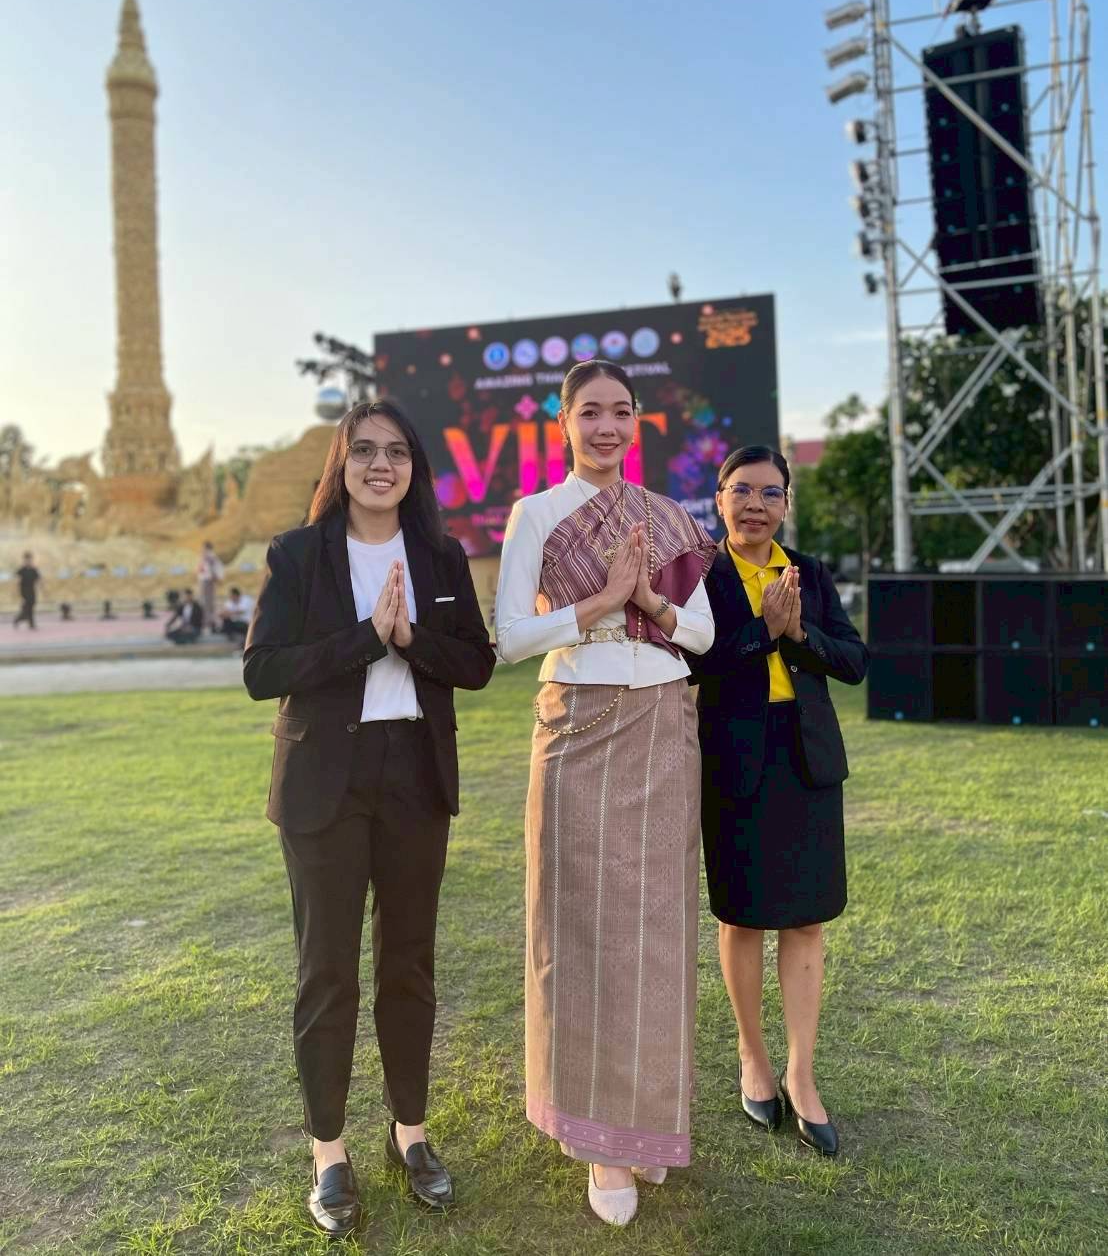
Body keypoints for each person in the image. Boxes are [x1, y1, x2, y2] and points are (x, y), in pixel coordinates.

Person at [243, 399, 495, 1237]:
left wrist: (411, 638)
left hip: (414, 775)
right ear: (341, 463)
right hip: (325, 780)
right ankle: (329, 1152)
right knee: (327, 971)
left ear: (414, 467)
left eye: (396, 451)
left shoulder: (440, 554)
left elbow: (477, 661)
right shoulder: (298, 553)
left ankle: (410, 1133)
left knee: (408, 963)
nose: (380, 465)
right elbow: (261, 669)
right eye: (364, 450)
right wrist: (365, 637)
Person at [495, 359, 716, 1227]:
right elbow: (511, 636)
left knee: (655, 932)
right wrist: (600, 602)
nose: (607, 427)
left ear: (636, 420)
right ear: (563, 421)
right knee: (582, 930)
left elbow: (702, 632)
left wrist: (651, 602)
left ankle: (645, 1121)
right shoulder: (536, 513)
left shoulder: (669, 516)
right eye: (590, 411)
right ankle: (598, 1140)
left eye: (621, 411)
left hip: (663, 721)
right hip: (578, 721)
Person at [691, 446, 868, 1159]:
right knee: (741, 917)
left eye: (770, 492)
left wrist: (796, 634)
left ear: (787, 504)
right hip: (735, 762)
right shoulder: (700, 575)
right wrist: (759, 633)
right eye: (742, 490)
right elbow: (693, 662)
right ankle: (752, 1057)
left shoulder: (810, 574)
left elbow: (853, 661)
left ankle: (801, 1072)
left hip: (805, 759)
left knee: (806, 919)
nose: (755, 504)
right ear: (719, 500)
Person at [196, 541, 224, 633]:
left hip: (207, 581)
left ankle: (208, 623)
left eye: (203, 547)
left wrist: (215, 578)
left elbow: (212, 569)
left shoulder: (209, 556)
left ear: (207, 548)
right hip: (205, 581)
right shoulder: (206, 557)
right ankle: (208, 623)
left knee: (207, 603)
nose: (202, 549)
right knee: (206, 603)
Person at [13, 552, 41, 629]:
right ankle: (24, 620)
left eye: (30, 559)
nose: (28, 561)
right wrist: (16, 591)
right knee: (27, 607)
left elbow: (38, 579)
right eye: (27, 559)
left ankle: (23, 620)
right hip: (24, 591)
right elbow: (17, 579)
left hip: (32, 590)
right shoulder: (22, 570)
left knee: (31, 606)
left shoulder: (33, 569)